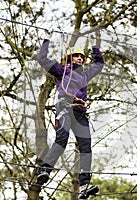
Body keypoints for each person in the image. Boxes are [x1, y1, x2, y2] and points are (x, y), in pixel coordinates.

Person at [36, 36, 104, 199]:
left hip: (80, 112)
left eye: (82, 57)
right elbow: (42, 59)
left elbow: (99, 64)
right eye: (77, 56)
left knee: (86, 146)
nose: (80, 58)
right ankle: (45, 170)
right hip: (65, 107)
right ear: (70, 57)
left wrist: (95, 47)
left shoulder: (85, 75)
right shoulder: (62, 70)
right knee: (61, 140)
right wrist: (46, 41)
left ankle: (85, 184)